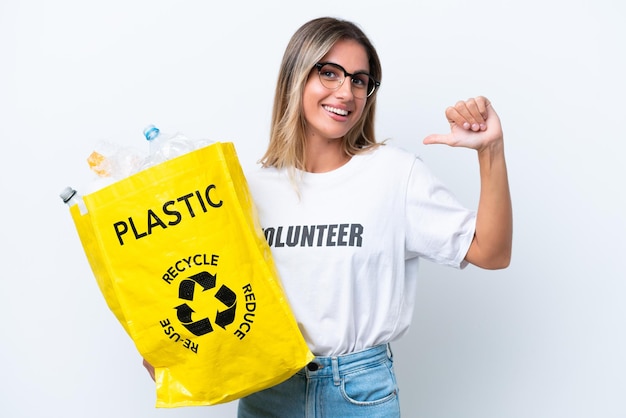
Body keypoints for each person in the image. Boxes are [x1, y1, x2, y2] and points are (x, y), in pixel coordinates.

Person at [145, 16, 512, 418]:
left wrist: (489, 150)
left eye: (359, 80)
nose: (346, 92)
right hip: (270, 388)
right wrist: (170, 346)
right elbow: (208, 281)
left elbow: (490, 253)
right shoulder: (248, 187)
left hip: (360, 391)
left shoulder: (394, 174)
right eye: (330, 73)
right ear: (295, 78)